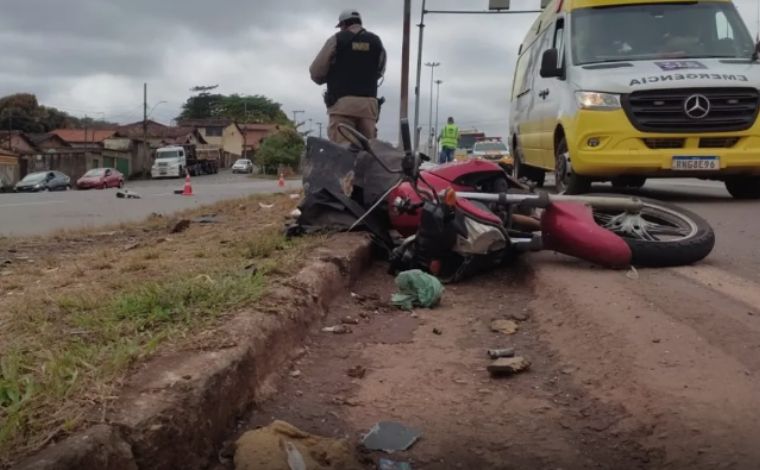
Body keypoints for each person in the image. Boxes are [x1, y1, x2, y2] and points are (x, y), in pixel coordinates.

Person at [310, 9, 386, 145]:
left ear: (343, 25)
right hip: (368, 107)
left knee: (342, 153)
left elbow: (316, 72)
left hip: (342, 105)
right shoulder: (376, 42)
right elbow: (380, 71)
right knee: (369, 153)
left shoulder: (336, 40)